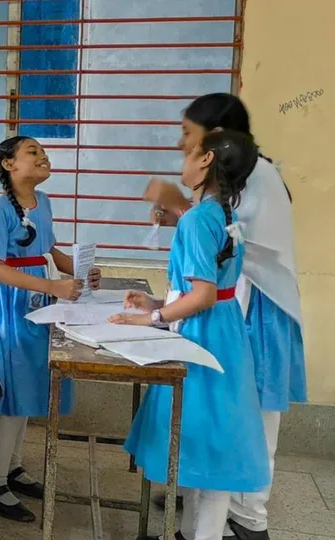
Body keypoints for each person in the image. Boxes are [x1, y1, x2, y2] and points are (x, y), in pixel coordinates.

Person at [146, 93, 304, 539]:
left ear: (213, 144)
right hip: (230, 308)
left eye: (188, 135)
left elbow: (229, 246)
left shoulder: (258, 176)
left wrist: (180, 207)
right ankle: (207, 513)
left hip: (254, 309)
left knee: (245, 420)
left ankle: (249, 520)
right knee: (221, 419)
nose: (180, 145)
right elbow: (222, 239)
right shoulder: (232, 185)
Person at [112, 130, 270, 540]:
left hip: (204, 336)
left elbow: (202, 295)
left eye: (188, 152)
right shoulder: (222, 214)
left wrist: (153, 318)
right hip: (224, 331)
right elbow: (212, 286)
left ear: (206, 160)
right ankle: (189, 533)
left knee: (202, 441)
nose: (182, 159)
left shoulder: (200, 219)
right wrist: (156, 302)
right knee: (211, 445)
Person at [0, 136, 100, 522]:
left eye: (43, 152)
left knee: (30, 385)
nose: (43, 156)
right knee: (11, 392)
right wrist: (50, 285)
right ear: (9, 164)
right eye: (32, 152)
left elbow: (49, 251)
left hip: (38, 304)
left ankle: (13, 467)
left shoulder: (43, 203)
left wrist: (80, 271)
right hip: (8, 306)